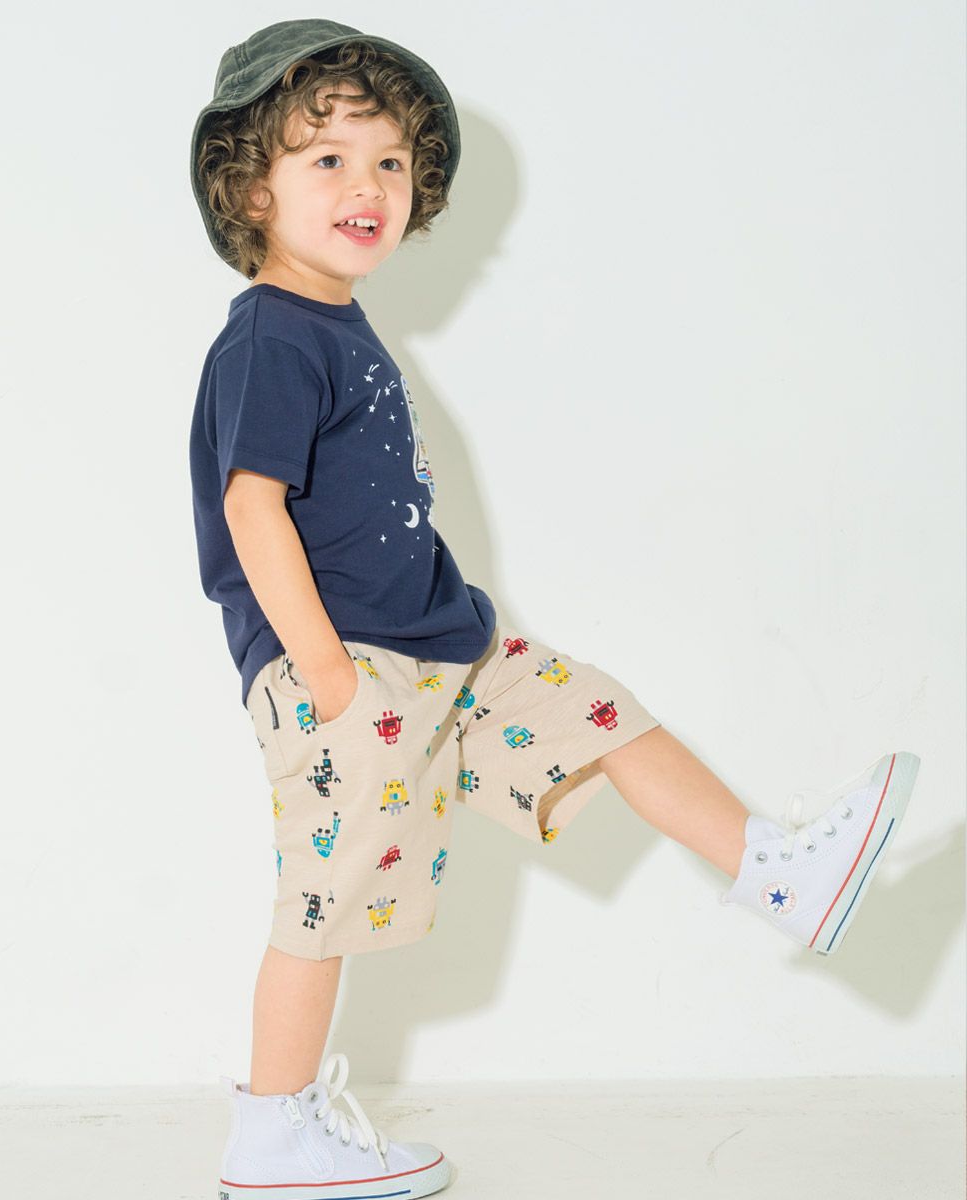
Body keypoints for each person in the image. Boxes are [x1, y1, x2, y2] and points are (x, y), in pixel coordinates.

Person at [188, 20, 921, 1199]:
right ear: (250, 186)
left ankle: (780, 872)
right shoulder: (271, 335)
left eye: (389, 160)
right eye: (327, 158)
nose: (368, 184)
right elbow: (250, 507)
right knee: (326, 901)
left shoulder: (337, 326)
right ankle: (271, 1131)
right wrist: (324, 676)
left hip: (446, 652)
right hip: (352, 672)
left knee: (601, 713)